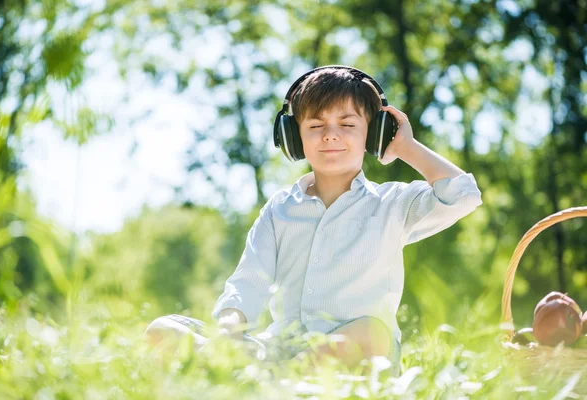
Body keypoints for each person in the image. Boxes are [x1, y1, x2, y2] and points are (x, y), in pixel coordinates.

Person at [143, 65, 483, 375]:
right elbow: (248, 282)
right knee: (162, 330)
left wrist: (406, 147)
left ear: (374, 132)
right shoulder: (280, 209)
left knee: (372, 334)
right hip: (277, 349)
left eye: (348, 125)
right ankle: (269, 377)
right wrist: (227, 332)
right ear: (294, 137)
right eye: (316, 125)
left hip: (353, 350)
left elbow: (463, 196)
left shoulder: (392, 203)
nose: (330, 135)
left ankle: (260, 382)